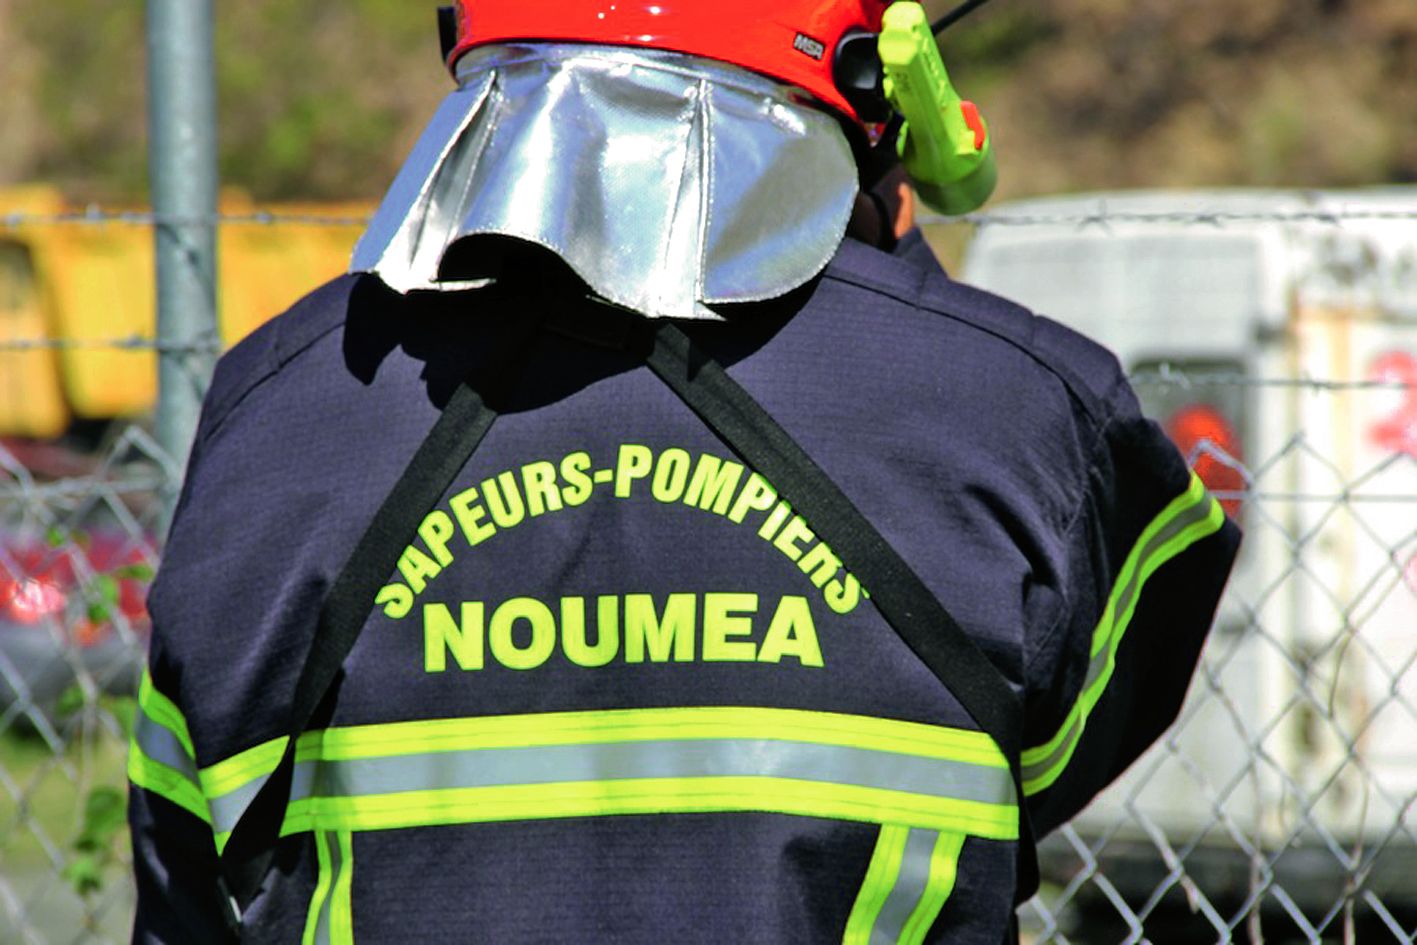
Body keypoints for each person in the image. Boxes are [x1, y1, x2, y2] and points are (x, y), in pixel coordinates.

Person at [127, 2, 1240, 943]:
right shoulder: (1022, 415)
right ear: (867, 72)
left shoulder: (274, 415)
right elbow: (1049, 748)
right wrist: (893, 256)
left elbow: (187, 888)